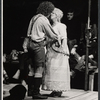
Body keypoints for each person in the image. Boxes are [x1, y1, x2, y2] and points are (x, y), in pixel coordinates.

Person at [27, 1, 60, 99]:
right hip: (38, 45)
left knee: (32, 68)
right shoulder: (43, 19)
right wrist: (56, 38)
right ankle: (36, 93)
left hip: (30, 44)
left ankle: (30, 90)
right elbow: (52, 34)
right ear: (48, 11)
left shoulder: (34, 17)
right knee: (39, 68)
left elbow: (28, 32)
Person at [42, 8, 70, 97]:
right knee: (51, 69)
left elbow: (64, 38)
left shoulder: (61, 25)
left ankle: (58, 90)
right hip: (51, 49)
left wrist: (64, 50)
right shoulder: (50, 26)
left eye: (53, 13)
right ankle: (54, 90)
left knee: (58, 69)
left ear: (57, 15)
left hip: (58, 51)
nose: (51, 15)